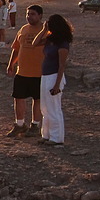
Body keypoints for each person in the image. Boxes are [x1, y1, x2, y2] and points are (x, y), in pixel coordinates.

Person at [32, 14, 73, 146]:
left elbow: (62, 65)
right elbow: (35, 43)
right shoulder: (50, 39)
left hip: (54, 76)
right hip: (45, 75)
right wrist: (43, 30)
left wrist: (57, 85)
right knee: (45, 107)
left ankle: (57, 138)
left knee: (54, 107)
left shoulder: (63, 43)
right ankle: (46, 135)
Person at [5, 5, 45, 137]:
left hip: (39, 72)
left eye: (33, 14)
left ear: (40, 15)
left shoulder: (46, 30)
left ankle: (35, 125)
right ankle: (20, 124)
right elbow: (16, 48)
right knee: (18, 98)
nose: (29, 17)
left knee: (37, 99)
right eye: (28, 14)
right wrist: (11, 63)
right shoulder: (23, 29)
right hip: (22, 71)